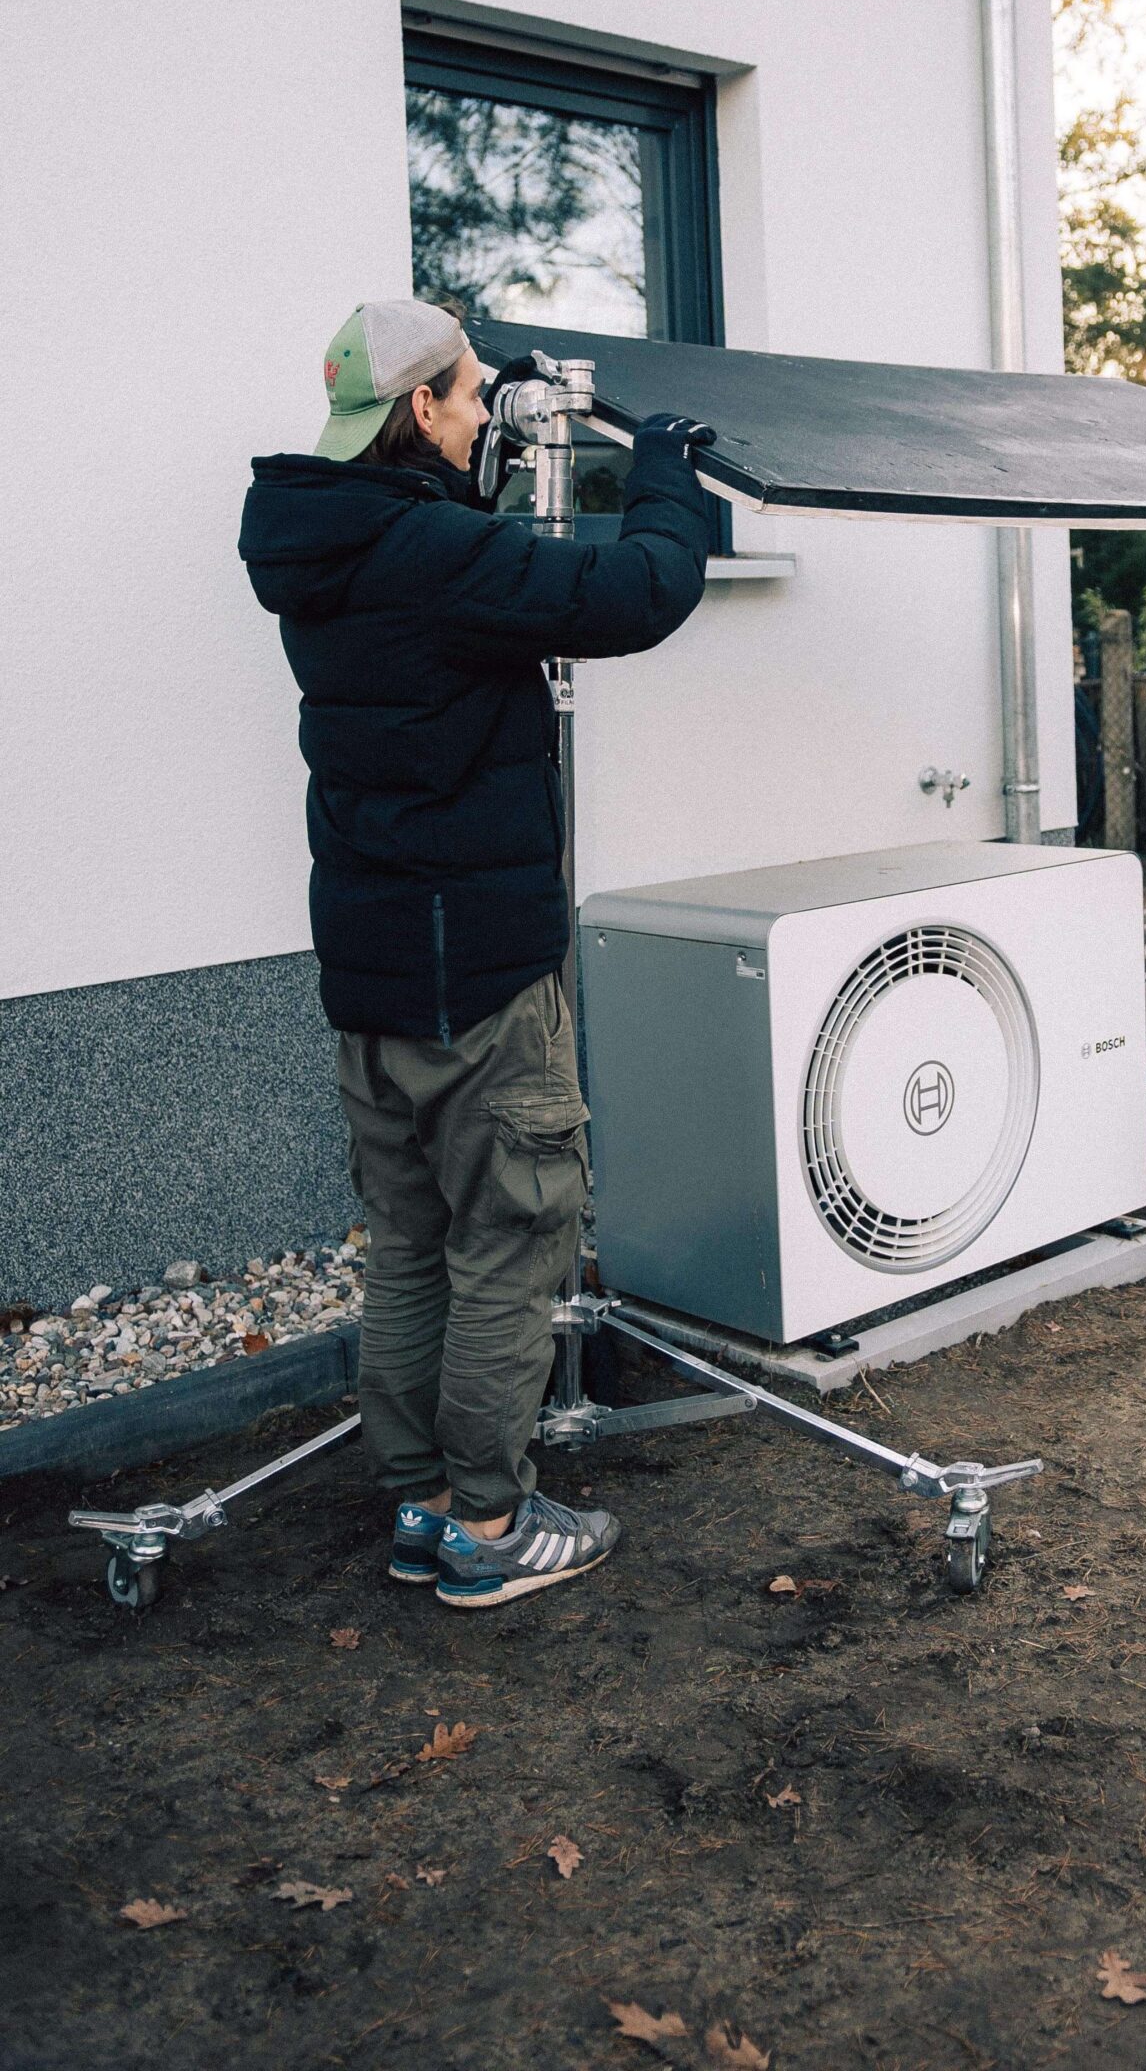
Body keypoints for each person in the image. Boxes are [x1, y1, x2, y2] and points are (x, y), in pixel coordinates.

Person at [239, 299, 711, 1607]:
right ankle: (492, 1526)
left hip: (374, 972)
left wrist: (487, 463)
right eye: (464, 396)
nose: (477, 414)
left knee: (409, 1244)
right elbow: (637, 590)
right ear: (422, 407)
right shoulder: (439, 557)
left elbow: (457, 577)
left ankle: (424, 1505)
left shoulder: (324, 540)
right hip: (479, 981)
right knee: (510, 1237)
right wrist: (664, 475)